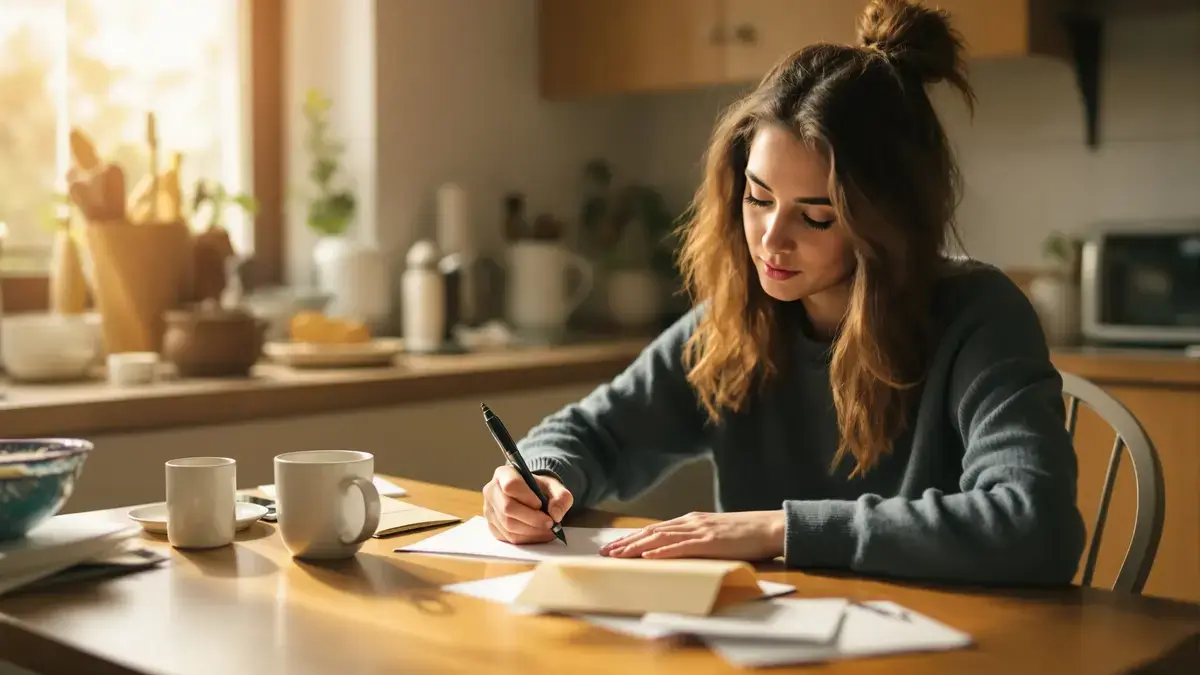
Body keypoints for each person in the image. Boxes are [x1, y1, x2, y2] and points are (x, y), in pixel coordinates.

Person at [482, 0, 1086, 586]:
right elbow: (596, 433)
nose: (771, 239)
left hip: (950, 634)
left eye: (815, 217)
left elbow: (1037, 525)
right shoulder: (735, 323)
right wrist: (537, 478)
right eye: (758, 197)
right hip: (770, 631)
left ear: (888, 221)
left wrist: (780, 529)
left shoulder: (980, 316)